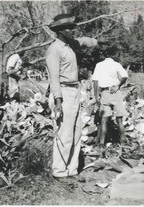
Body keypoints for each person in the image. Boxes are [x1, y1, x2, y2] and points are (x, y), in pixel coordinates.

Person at [46, 13, 98, 179]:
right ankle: (59, 171)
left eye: (72, 27)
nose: (71, 30)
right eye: (68, 28)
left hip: (74, 91)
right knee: (64, 134)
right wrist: (58, 101)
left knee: (76, 133)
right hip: (62, 93)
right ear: (60, 31)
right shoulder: (54, 49)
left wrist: (97, 42)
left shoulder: (70, 46)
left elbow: (85, 41)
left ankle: (72, 169)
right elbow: (54, 78)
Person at [92, 48, 128, 148]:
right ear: (113, 56)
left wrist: (96, 96)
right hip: (115, 92)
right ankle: (123, 141)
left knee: (104, 120)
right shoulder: (116, 64)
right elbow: (125, 76)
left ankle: (102, 143)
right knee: (119, 120)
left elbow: (95, 81)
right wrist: (118, 86)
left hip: (104, 93)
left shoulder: (99, 65)